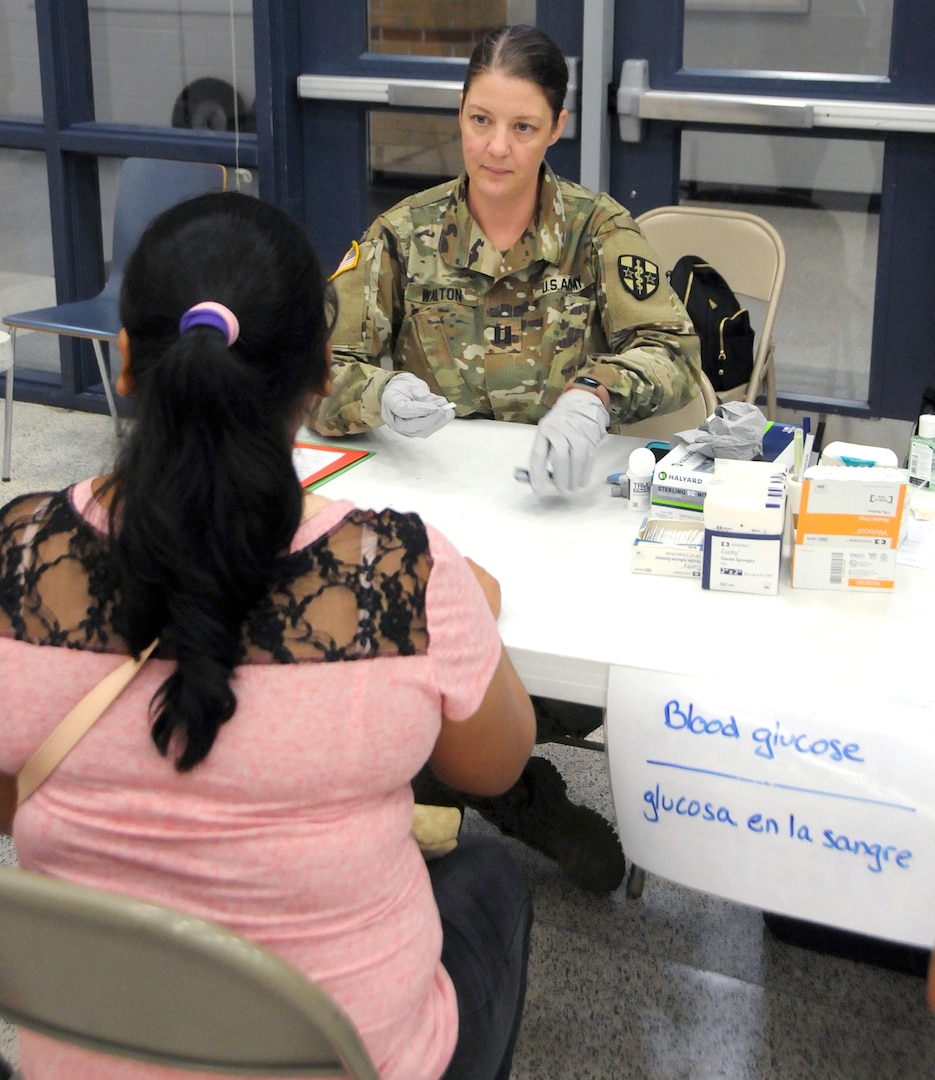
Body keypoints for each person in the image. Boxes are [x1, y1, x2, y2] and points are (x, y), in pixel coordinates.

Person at [0, 191, 537, 1080]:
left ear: (126, 361)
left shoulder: (18, 557)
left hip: (91, 1061)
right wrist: (459, 606)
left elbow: (15, 802)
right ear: (323, 371)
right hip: (345, 1061)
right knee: (487, 876)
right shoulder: (401, 574)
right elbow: (496, 765)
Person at [305, 23, 703, 895]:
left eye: (522, 127)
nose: (496, 147)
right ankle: (506, 790)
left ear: (556, 127)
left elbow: (674, 350)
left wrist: (593, 394)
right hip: (433, 503)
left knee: (568, 648)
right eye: (479, 120)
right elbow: (316, 371)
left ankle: (449, 781)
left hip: (560, 511)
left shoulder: (599, 230)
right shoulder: (402, 235)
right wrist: (376, 396)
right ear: (458, 115)